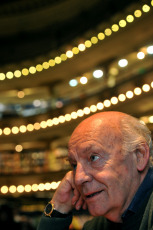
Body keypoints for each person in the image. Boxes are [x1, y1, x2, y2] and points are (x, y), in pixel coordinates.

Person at [37, 111, 153, 230]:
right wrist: (58, 208)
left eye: (93, 158)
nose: (78, 178)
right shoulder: (95, 226)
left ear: (139, 155)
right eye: (74, 165)